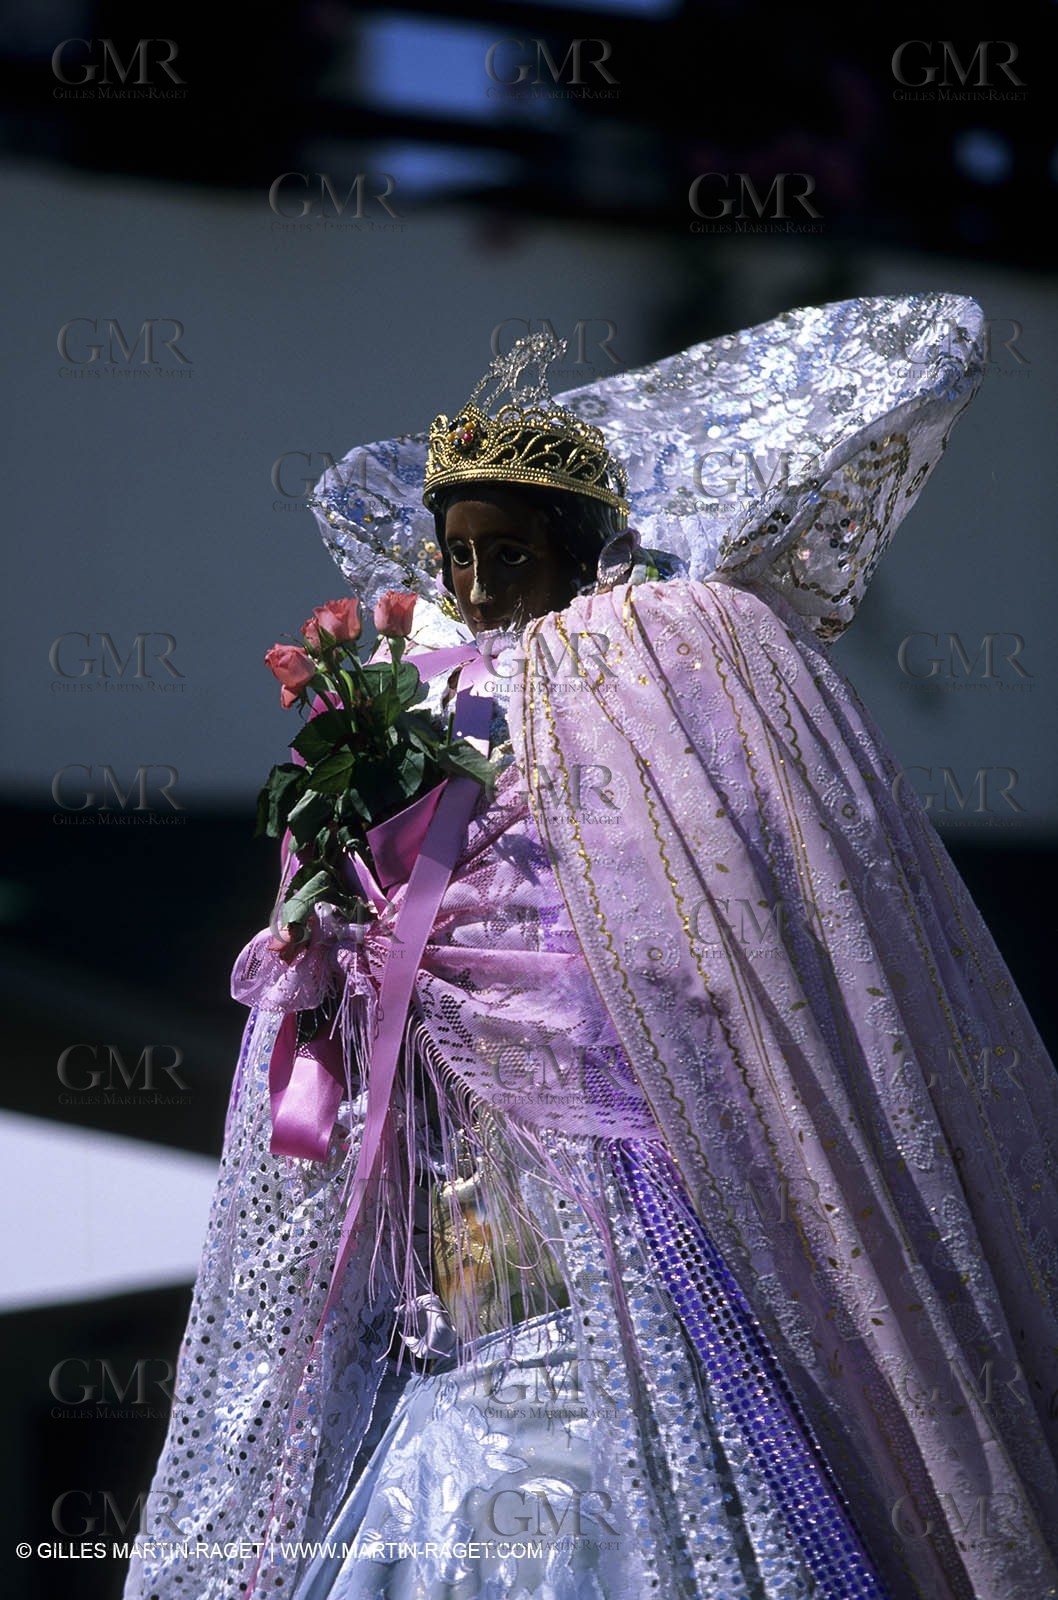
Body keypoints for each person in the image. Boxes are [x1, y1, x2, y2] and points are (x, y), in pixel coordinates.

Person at [125, 301, 1058, 1600]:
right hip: (455, 1131)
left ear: (572, 552)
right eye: (454, 556)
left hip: (602, 1088)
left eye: (505, 554)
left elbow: (688, 879)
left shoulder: (652, 658)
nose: (473, 586)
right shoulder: (414, 697)